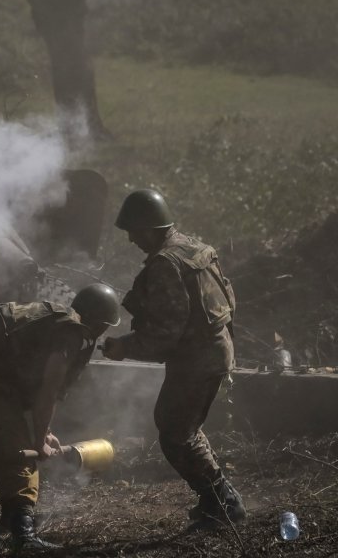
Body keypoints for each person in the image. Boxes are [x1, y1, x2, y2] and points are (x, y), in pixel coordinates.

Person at [102, 189, 246, 527]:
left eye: (133, 232)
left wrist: (125, 348)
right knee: (180, 427)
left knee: (174, 433)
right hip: (216, 349)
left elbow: (166, 333)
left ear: (149, 227)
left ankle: (223, 504)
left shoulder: (166, 264)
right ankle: (220, 502)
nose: (131, 240)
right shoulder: (194, 248)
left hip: (197, 358)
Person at [0, 284, 120, 550]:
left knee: (12, 446)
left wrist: (46, 432)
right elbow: (48, 389)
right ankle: (25, 537)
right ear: (99, 321)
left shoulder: (61, 321)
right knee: (21, 449)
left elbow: (36, 383)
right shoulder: (71, 333)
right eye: (105, 325)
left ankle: (10, 521)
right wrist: (40, 439)